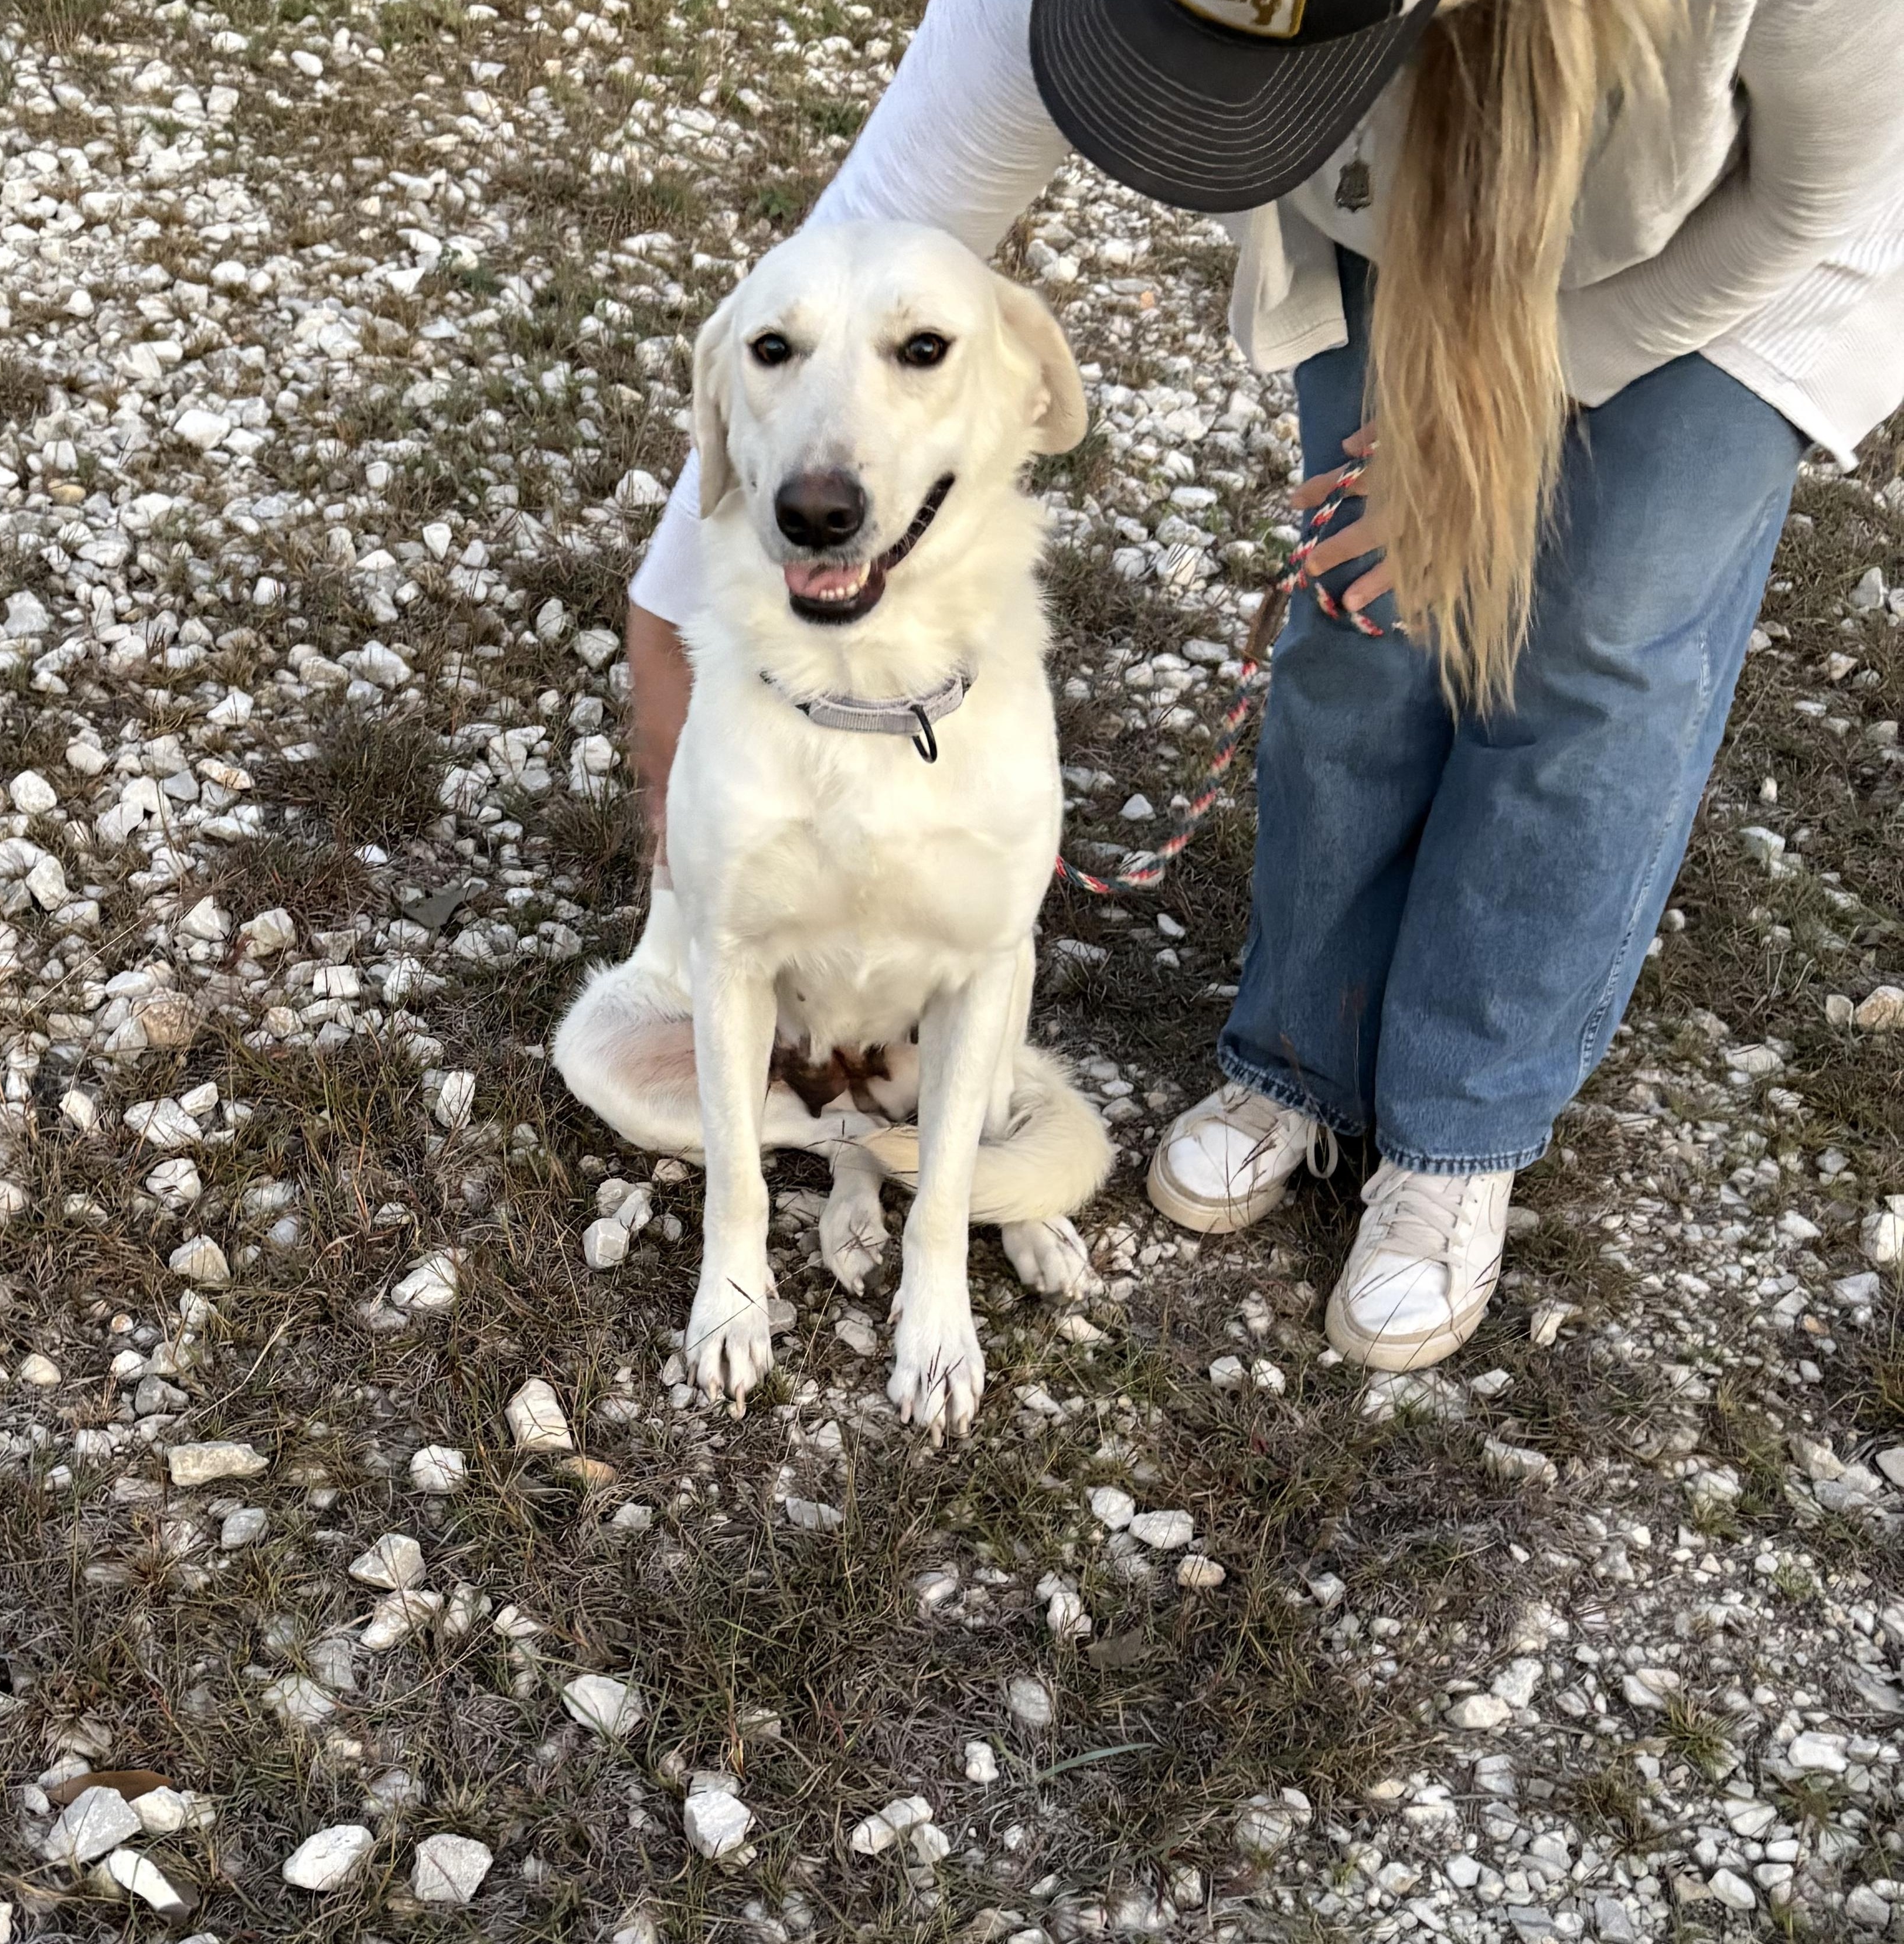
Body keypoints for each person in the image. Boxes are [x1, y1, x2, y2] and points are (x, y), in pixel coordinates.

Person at [624, 0, 1904, 1370]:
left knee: (1595, 643)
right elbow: (890, 217)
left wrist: (1496, 426)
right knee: (1364, 612)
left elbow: (1813, 192)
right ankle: (1300, 1053)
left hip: (1743, 227)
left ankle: (1458, 1128)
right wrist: (674, 611)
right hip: (1402, 204)